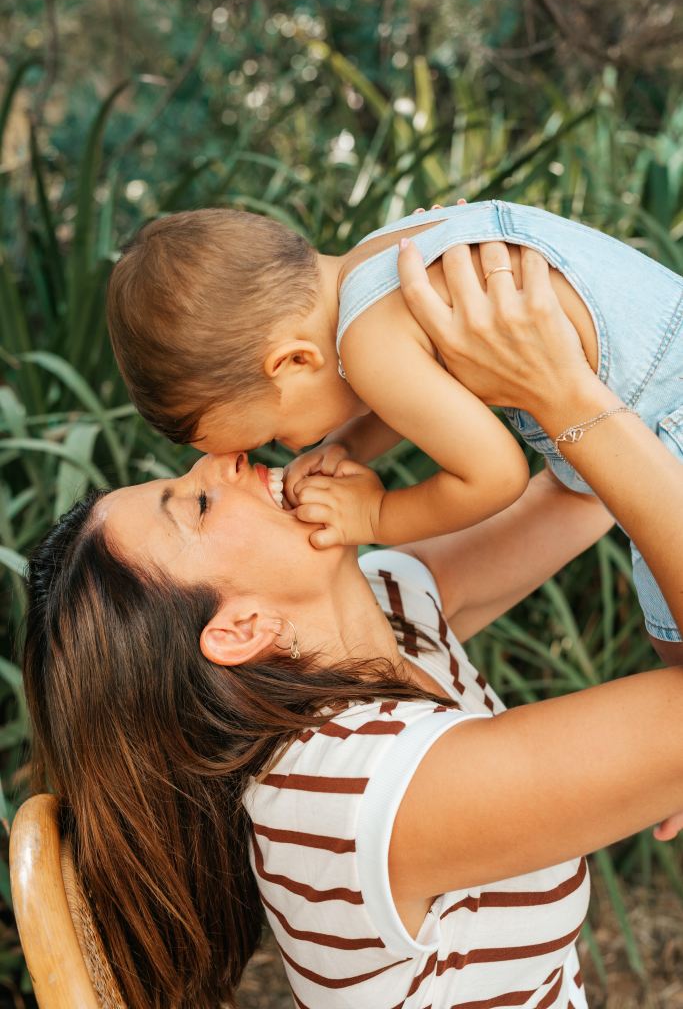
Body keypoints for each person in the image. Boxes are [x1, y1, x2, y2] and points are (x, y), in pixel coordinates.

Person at [25, 243, 683, 1009]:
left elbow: (582, 490)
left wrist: (516, 353)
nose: (225, 460)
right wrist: (565, 399)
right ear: (240, 630)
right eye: (197, 504)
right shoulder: (361, 798)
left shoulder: (384, 616)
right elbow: (596, 450)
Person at [106, 201, 683, 663]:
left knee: (674, 652)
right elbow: (409, 383)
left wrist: (376, 516)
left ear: (293, 362)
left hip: (666, 423)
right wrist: (348, 445)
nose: (290, 448)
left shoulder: (367, 346)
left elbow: (496, 475)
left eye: (276, 432)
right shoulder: (381, 258)